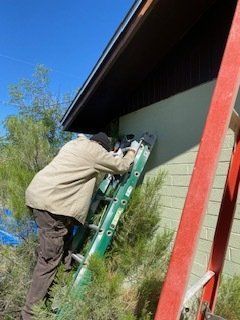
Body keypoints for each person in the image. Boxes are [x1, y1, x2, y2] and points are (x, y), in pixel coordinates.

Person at [21, 132, 138, 320]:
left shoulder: (74, 145)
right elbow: (121, 166)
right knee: (49, 262)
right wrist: (132, 151)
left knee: (65, 250)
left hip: (41, 199)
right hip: (53, 206)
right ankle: (29, 315)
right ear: (103, 147)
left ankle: (56, 297)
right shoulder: (95, 151)